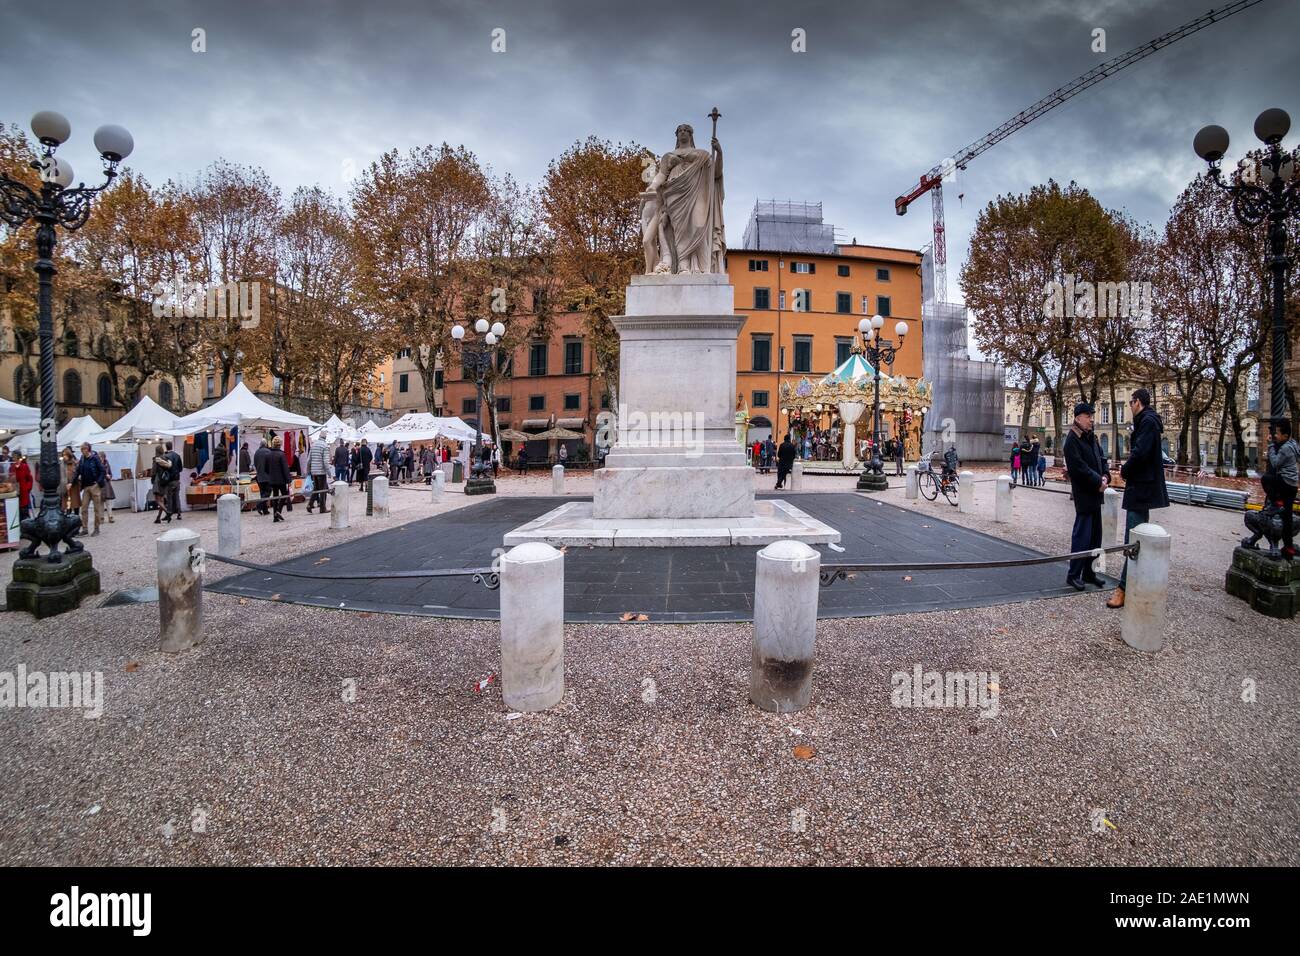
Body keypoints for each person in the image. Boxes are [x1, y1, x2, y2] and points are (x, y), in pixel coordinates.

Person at [1109, 388, 1171, 608]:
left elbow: (1140, 452)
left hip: (1141, 487)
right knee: (1137, 536)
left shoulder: (1147, 422)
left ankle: (1124, 587)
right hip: (1142, 486)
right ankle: (1131, 583)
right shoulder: (1148, 421)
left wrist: (1125, 471)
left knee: (1133, 538)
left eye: (1131, 402)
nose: (1130, 407)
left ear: (1138, 402)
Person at [1062, 402, 1108, 591]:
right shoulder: (1072, 439)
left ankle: (1089, 573)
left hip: (1096, 493)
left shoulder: (1091, 437)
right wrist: (1098, 481)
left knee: (1096, 537)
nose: (1091, 419)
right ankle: (1073, 575)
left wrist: (1106, 475)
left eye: (1091, 416)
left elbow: (1101, 458)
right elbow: (1079, 468)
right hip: (1085, 494)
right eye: (1088, 416)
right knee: (1082, 536)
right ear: (1078, 417)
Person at [1261, 418, 1298, 561]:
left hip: (1285, 482)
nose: (1275, 435)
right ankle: (1289, 548)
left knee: (1266, 479)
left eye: (1277, 433)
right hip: (1292, 484)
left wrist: (1270, 445)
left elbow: (1275, 463)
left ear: (1285, 435)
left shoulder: (1286, 448)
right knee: (1287, 517)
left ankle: (1277, 503)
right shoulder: (1293, 444)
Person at [73, 442, 106, 536]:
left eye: (83, 449)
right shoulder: (82, 459)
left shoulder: (95, 458)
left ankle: (96, 528)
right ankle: (85, 529)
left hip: (94, 486)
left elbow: (102, 470)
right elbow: (78, 471)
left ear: (88, 449)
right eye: (81, 450)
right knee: (83, 508)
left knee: (96, 508)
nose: (82, 451)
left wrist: (98, 482)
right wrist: (71, 482)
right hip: (86, 486)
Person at [263, 435, 292, 522]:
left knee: (275, 496)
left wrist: (270, 474)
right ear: (280, 444)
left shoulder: (268, 454)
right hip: (281, 479)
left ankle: (275, 516)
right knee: (284, 494)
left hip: (272, 479)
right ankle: (278, 511)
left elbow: (266, 468)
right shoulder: (281, 454)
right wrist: (289, 480)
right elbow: (285, 468)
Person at [306, 433, 330, 514]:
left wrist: (308, 471)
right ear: (325, 438)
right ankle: (322, 508)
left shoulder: (313, 445)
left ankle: (310, 504)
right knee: (323, 490)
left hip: (314, 471)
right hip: (321, 471)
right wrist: (329, 473)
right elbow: (326, 462)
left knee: (316, 489)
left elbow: (309, 460)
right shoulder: (325, 446)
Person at [97, 450, 116, 522]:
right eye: (99, 457)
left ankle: (110, 517)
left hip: (107, 484)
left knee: (108, 502)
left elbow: (111, 474)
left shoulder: (107, 464)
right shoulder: (96, 464)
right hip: (100, 484)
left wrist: (109, 476)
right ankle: (101, 518)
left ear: (104, 457)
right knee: (100, 502)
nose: (100, 458)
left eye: (101, 457)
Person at [14, 453, 33, 519]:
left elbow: (30, 479)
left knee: (24, 511)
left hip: (23, 492)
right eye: (14, 458)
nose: (15, 459)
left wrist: (27, 488)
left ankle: (26, 524)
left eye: (16, 457)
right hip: (15, 492)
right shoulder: (12, 467)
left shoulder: (24, 466)